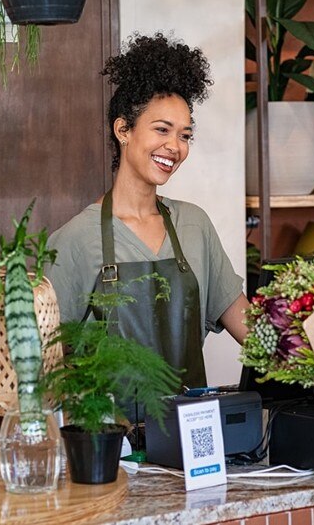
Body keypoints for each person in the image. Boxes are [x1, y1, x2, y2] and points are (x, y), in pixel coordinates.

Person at [47, 34, 248, 389]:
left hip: (190, 431)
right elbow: (46, 362)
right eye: (162, 130)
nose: (174, 147)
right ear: (123, 129)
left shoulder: (193, 225)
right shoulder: (75, 239)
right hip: (110, 439)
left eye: (185, 135)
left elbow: (248, 327)